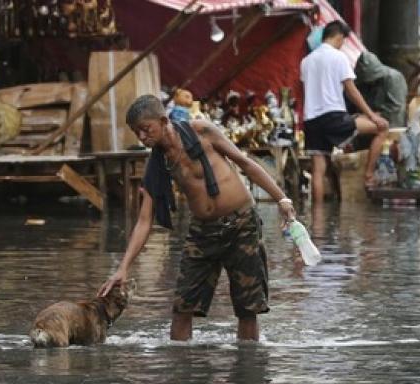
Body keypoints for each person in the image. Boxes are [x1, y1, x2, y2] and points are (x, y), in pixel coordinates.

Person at [97, 94, 297, 342]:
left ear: (163, 120)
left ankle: (249, 369)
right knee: (182, 307)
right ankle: (181, 373)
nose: (142, 137)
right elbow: (144, 220)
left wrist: (282, 199)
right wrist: (123, 268)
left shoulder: (202, 131)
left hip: (242, 224)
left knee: (248, 310)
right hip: (203, 233)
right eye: (136, 133)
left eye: (146, 130)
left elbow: (245, 163)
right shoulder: (157, 164)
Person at [300, 20, 389, 202]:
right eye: (343, 41)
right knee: (382, 128)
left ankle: (317, 222)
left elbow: (305, 91)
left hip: (311, 120)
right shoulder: (338, 57)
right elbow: (351, 90)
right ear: (339, 36)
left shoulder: (306, 61)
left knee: (318, 169)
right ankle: (369, 176)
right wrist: (372, 115)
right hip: (334, 116)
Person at [354, 51, 408, 128]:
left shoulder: (393, 78)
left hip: (392, 123)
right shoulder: (360, 81)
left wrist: (368, 116)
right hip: (369, 119)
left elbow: (395, 108)